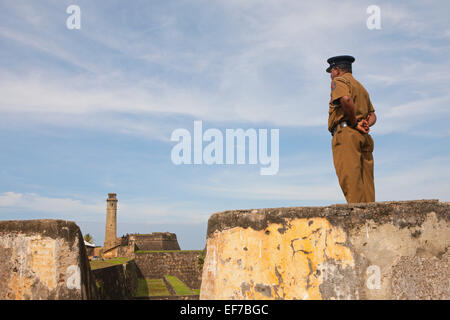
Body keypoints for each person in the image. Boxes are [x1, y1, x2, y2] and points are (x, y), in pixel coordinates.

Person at [326, 55, 377, 203]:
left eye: (331, 71)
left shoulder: (339, 81)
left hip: (347, 133)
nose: (331, 75)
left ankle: (358, 221)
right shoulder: (361, 87)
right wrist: (366, 124)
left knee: (351, 180)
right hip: (363, 136)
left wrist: (354, 123)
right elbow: (373, 115)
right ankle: (370, 218)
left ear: (336, 70)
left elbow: (346, 100)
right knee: (366, 183)